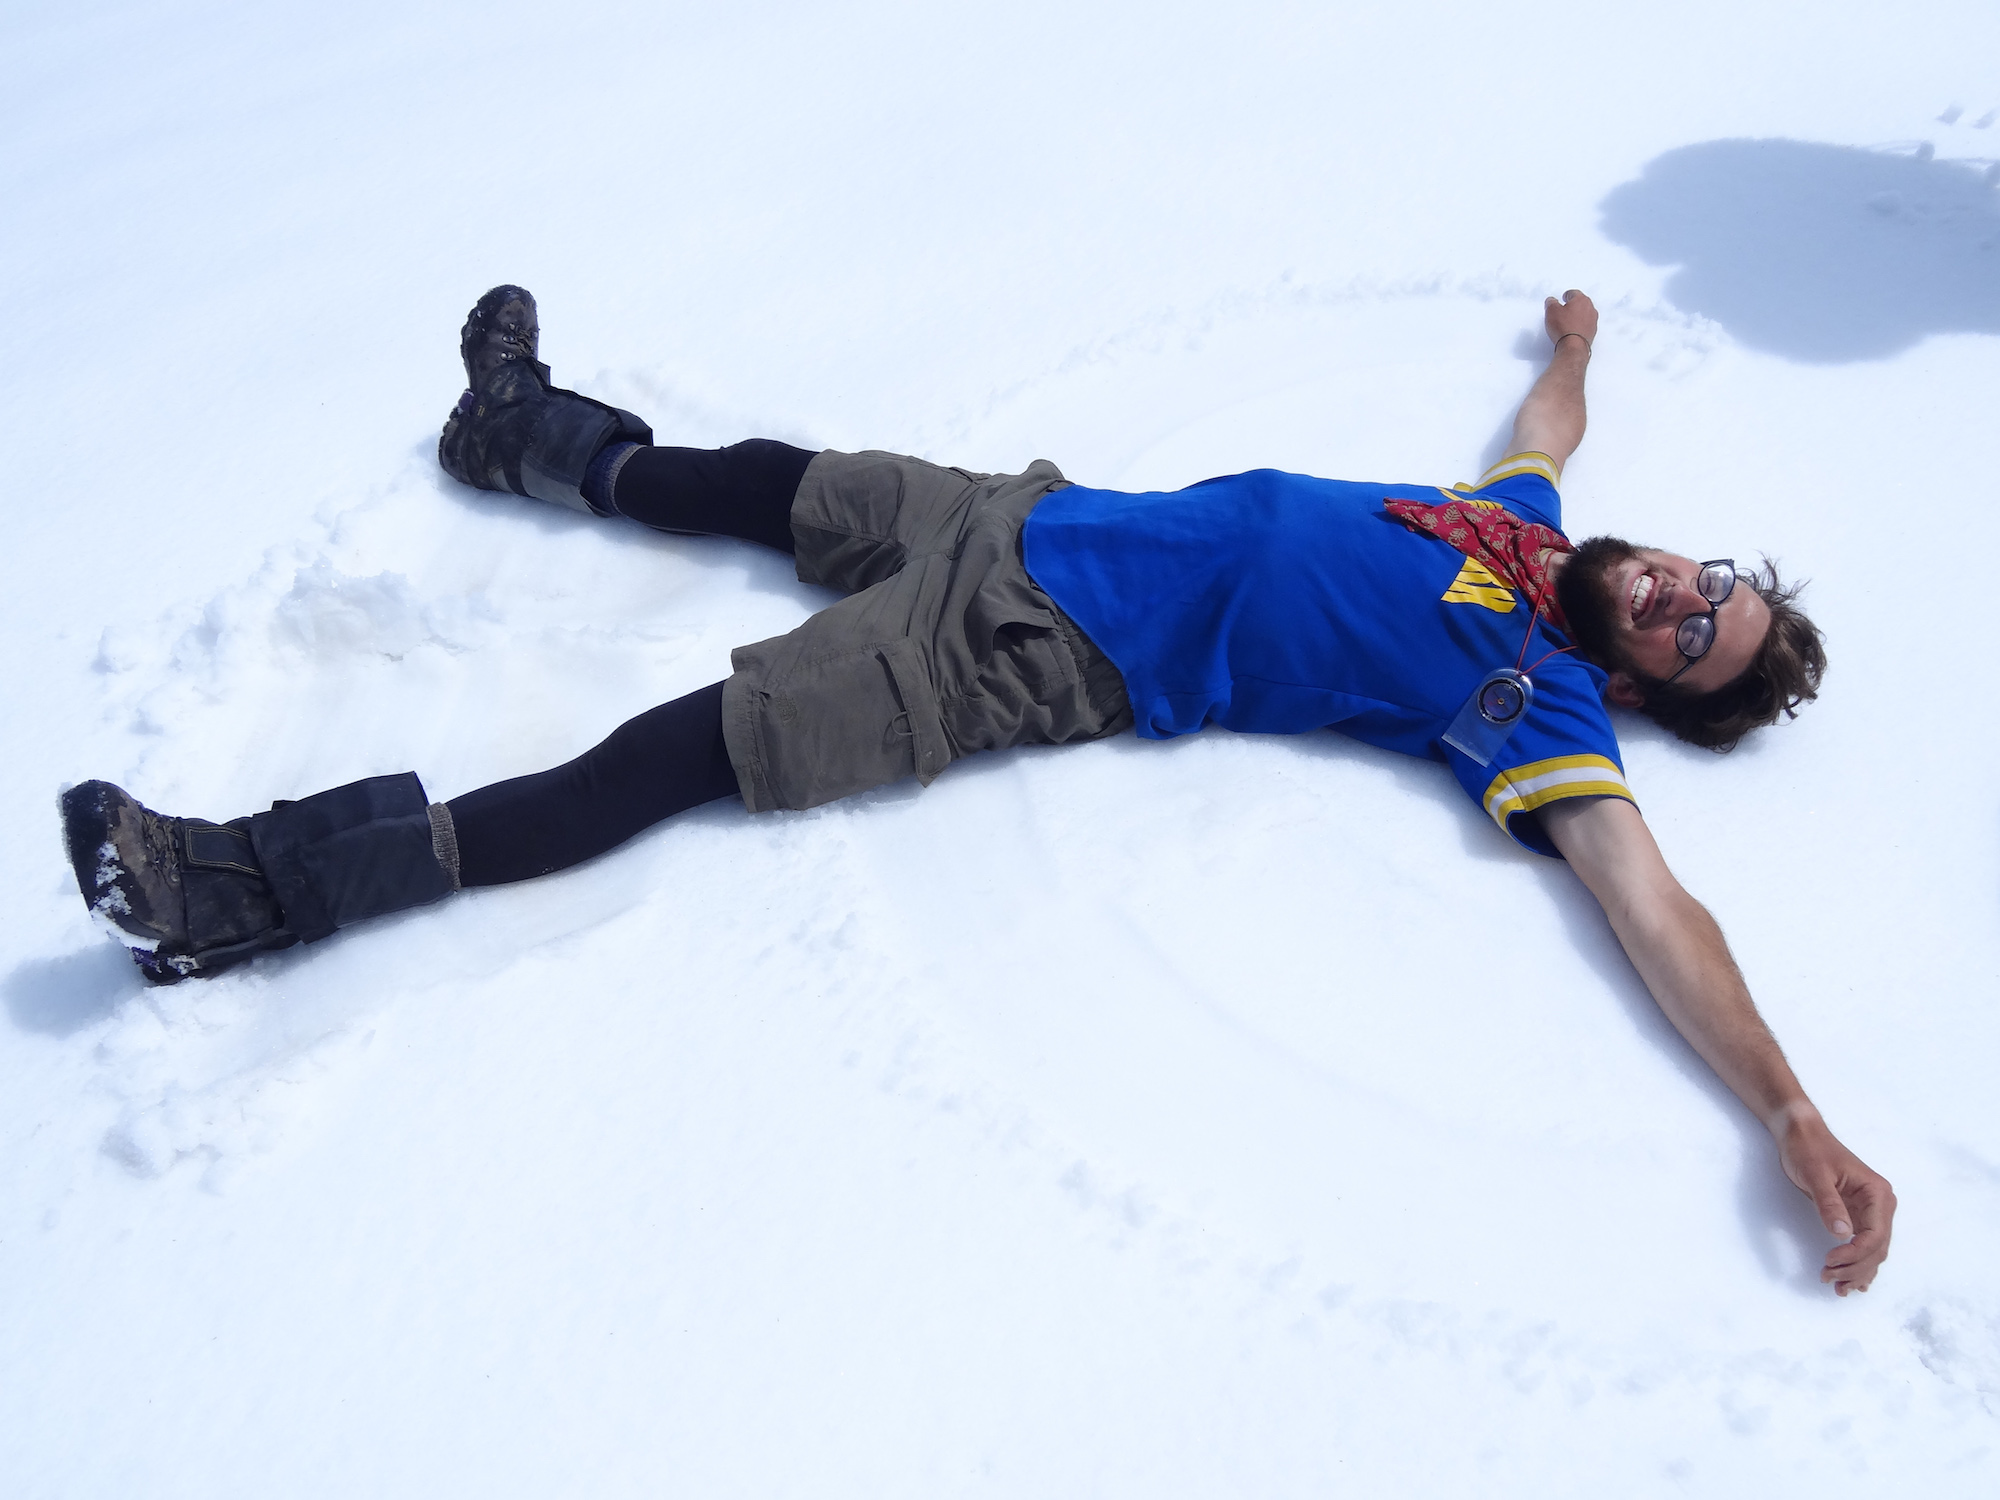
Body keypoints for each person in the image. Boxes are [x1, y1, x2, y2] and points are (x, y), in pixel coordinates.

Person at [59, 285, 1896, 1293]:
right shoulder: (1528, 528)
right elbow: (1546, 437)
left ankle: (247, 890)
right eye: (1706, 588)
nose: (1679, 605)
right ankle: (519, 436)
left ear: (1650, 699)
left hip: (1023, 662)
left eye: (1693, 649)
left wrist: (1792, 1111)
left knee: (676, 752)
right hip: (1024, 516)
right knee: (770, 481)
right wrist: (1574, 356)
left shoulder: (1530, 695)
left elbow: (1656, 910)